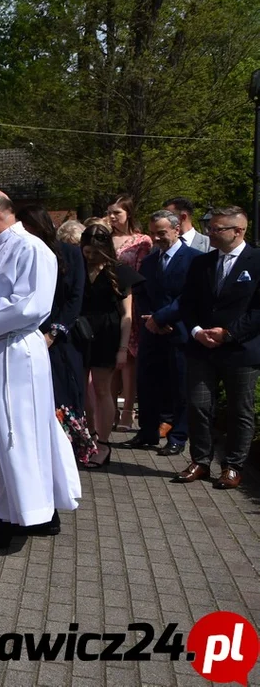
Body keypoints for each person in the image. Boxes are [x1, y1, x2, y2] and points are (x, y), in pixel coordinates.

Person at [0, 190, 81, 555]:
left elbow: (31, 306)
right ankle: (43, 512)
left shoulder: (31, 248)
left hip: (13, 355)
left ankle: (7, 523)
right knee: (20, 435)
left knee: (15, 436)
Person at [175, 206, 260, 490]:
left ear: (239, 230)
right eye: (210, 227)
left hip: (240, 350)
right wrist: (197, 331)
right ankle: (200, 460)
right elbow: (187, 303)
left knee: (240, 410)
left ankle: (233, 466)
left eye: (218, 229)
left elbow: (258, 310)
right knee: (198, 405)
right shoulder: (202, 263)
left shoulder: (257, 261)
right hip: (202, 348)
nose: (211, 232)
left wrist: (229, 333)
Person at [18, 206, 92, 465]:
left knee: (64, 390)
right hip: (28, 335)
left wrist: (55, 332)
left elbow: (76, 297)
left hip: (61, 336)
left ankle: (67, 454)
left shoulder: (69, 253)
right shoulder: (22, 254)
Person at [128, 211, 201, 456]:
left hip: (179, 332)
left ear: (176, 229)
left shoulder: (195, 259)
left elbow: (190, 297)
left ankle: (178, 436)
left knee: (179, 386)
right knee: (147, 383)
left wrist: (163, 318)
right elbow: (140, 292)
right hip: (152, 332)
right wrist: (152, 319)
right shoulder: (149, 261)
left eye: (162, 232)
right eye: (153, 233)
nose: (157, 238)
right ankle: (147, 432)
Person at [78, 224, 143, 466]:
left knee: (103, 389)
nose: (90, 256)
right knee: (81, 389)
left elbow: (127, 315)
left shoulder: (119, 272)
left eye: (95, 252)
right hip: (80, 333)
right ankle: (88, 437)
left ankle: (103, 443)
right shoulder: (78, 270)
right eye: (86, 251)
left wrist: (123, 348)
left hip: (107, 334)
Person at [107, 195, 153, 431]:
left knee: (129, 359)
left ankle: (128, 411)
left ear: (128, 214)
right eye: (110, 212)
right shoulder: (105, 238)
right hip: (107, 301)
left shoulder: (141, 240)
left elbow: (143, 273)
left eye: (117, 212)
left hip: (131, 300)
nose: (113, 217)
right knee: (110, 358)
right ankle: (110, 408)